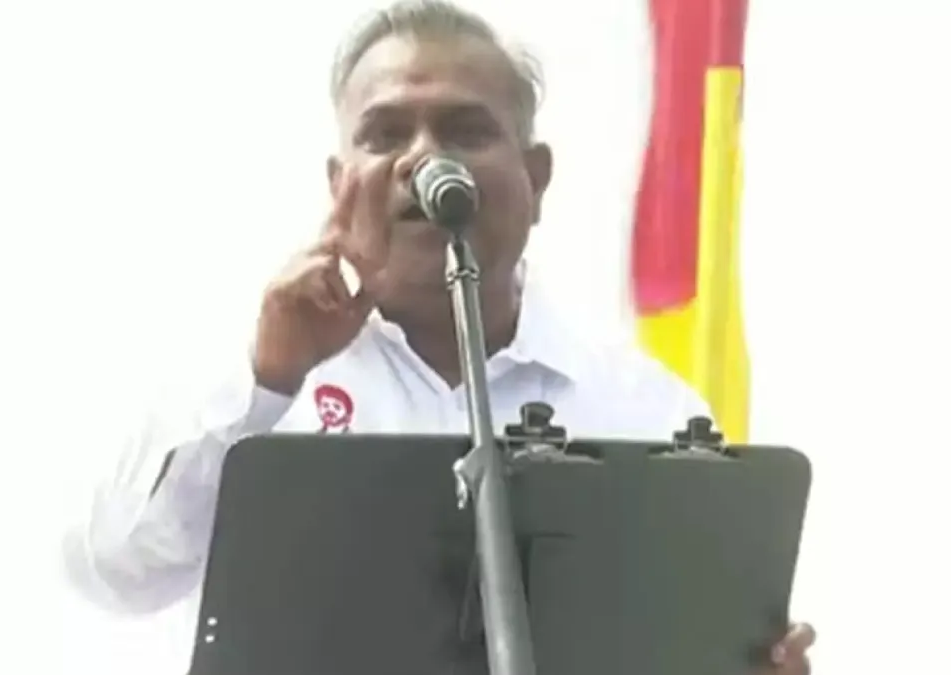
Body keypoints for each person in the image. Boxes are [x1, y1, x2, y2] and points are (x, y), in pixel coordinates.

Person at [63, 1, 815, 672]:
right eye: (385, 133)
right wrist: (266, 379)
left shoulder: (643, 411)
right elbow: (114, 571)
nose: (424, 158)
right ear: (338, 184)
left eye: (465, 130)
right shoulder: (250, 387)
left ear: (536, 179)